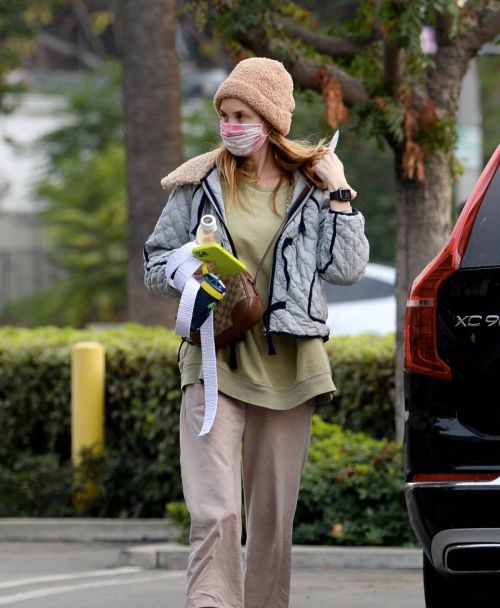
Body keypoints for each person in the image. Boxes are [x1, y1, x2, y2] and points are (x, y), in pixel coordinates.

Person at [143, 57, 369, 608]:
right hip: (213, 363)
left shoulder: (312, 185)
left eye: (242, 114)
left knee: (271, 523)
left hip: (289, 366)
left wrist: (339, 192)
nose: (231, 125)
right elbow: (153, 266)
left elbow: (346, 268)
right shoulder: (197, 184)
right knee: (215, 511)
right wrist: (188, 266)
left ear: (270, 121)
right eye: (225, 114)